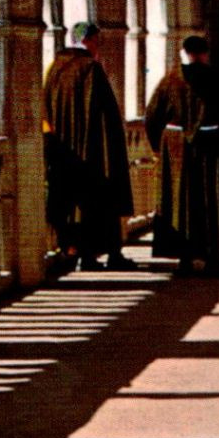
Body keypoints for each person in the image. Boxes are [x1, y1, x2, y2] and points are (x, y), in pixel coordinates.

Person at [43, 21, 136, 271]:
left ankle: (82, 254)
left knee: (74, 206)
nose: (98, 48)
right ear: (87, 41)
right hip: (93, 152)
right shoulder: (90, 69)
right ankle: (101, 255)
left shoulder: (54, 69)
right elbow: (105, 115)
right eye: (96, 42)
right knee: (101, 201)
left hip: (64, 155)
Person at [146, 35, 219, 276]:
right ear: (205, 54)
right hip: (211, 146)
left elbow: (152, 116)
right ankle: (213, 257)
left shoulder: (170, 80)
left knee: (179, 202)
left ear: (183, 52)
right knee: (211, 201)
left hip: (176, 148)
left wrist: (159, 147)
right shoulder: (217, 79)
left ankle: (184, 257)